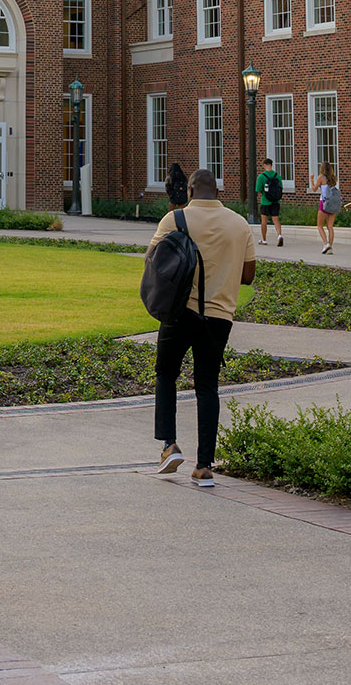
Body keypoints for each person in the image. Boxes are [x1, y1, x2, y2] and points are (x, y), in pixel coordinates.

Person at [148, 167, 256, 488]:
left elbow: (152, 261)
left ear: (190, 191)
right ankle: (204, 466)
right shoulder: (239, 225)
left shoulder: (175, 220)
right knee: (207, 386)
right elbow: (248, 275)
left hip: (180, 312)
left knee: (166, 373)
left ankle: (169, 446)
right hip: (219, 316)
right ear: (219, 192)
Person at [310, 162, 339, 254]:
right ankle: (330, 247)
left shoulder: (321, 177)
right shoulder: (333, 178)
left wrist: (311, 180)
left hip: (324, 202)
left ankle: (326, 244)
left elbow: (314, 189)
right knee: (330, 226)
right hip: (333, 203)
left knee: (320, 226)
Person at [255, 157, 285, 247]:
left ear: (264, 165)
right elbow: (281, 188)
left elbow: (258, 189)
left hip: (265, 201)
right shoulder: (277, 175)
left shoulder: (261, 177)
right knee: (275, 219)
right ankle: (279, 235)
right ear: (271, 165)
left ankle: (264, 240)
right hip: (276, 201)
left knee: (264, 221)